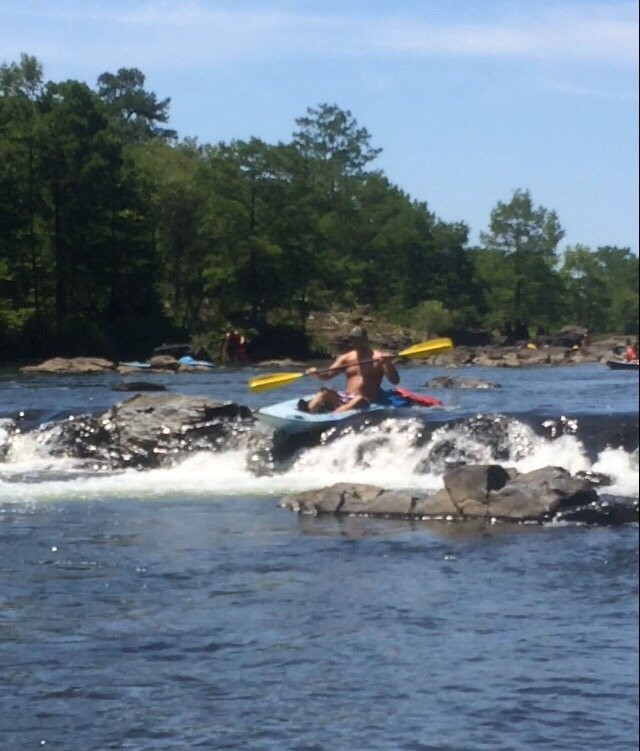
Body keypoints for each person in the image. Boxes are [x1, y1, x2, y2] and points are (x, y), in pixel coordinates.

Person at [298, 326, 400, 414]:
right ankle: (307, 413)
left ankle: (332, 416)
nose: (355, 342)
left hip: (365, 402)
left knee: (359, 399)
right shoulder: (346, 358)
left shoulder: (379, 358)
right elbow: (328, 374)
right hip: (346, 398)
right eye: (353, 340)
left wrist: (387, 363)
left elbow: (395, 380)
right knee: (324, 392)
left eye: (358, 339)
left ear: (365, 339)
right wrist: (316, 373)